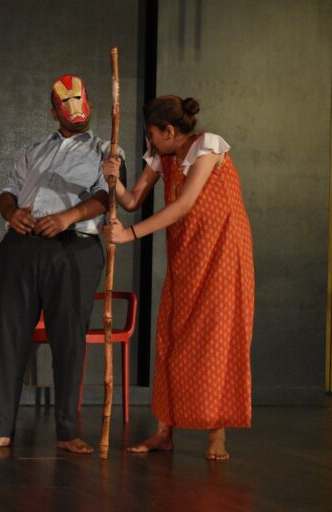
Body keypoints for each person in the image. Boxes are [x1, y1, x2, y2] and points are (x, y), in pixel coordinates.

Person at [0, 75, 124, 454]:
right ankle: (1, 429)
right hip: (22, 246)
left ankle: (67, 431)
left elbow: (106, 195)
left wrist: (67, 217)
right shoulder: (33, 150)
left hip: (73, 247)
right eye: (65, 102)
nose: (75, 108)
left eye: (80, 99)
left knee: (68, 339)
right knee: (9, 335)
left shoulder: (106, 150)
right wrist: (11, 214)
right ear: (53, 111)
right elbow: (8, 192)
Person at [102, 96, 254, 460]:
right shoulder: (163, 156)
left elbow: (184, 204)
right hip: (187, 256)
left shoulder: (208, 147)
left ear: (169, 131)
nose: (150, 141)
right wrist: (113, 179)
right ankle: (164, 431)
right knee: (171, 337)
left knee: (217, 339)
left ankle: (217, 432)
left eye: (152, 134)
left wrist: (129, 235)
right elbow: (132, 200)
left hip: (222, 255)